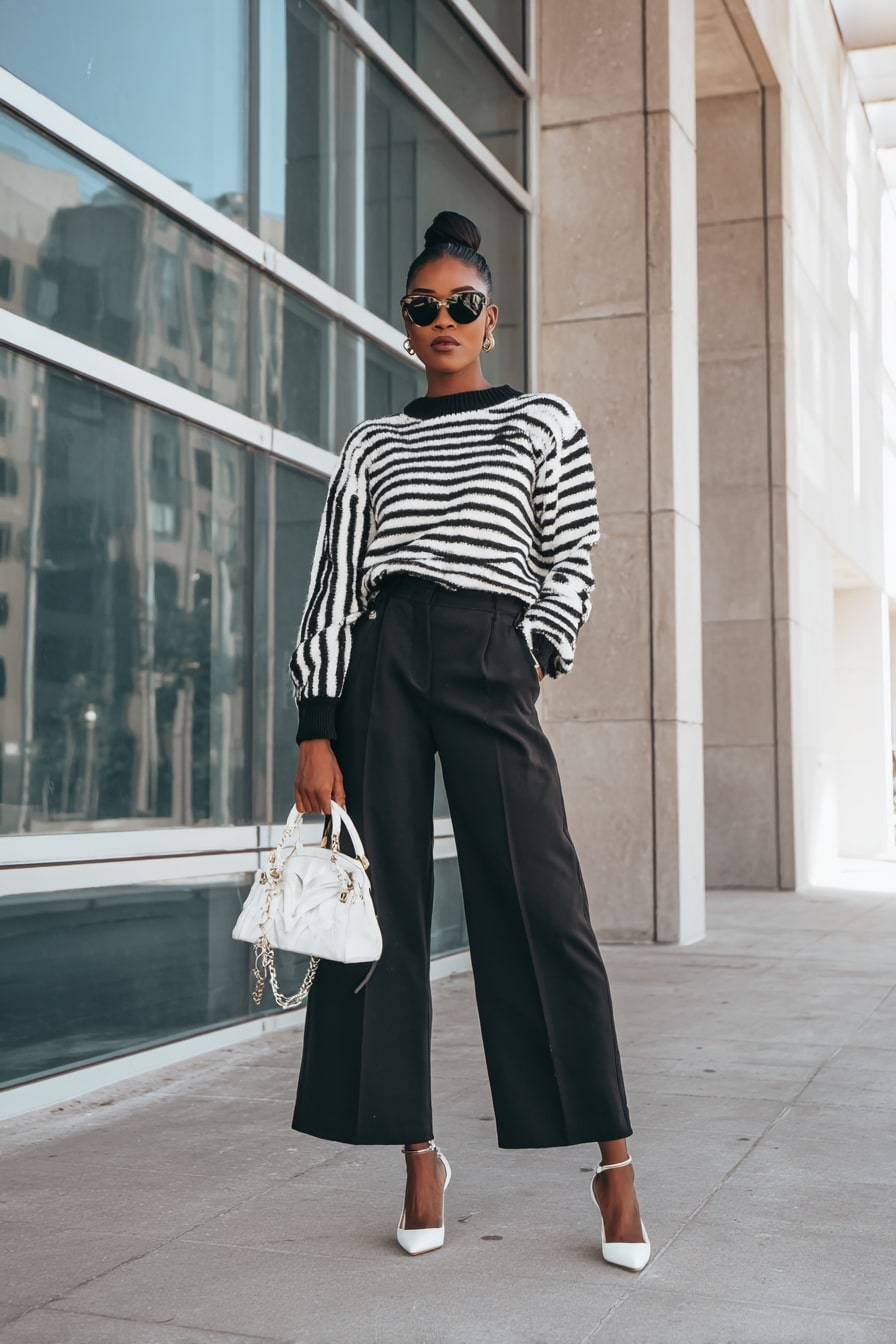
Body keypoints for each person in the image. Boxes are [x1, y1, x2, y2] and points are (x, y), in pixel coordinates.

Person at [289, 210, 649, 1269]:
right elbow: (333, 585)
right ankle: (416, 1154)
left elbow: (570, 549)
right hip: (384, 661)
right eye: (420, 307)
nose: (439, 319)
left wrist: (535, 650)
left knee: (542, 909)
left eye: (458, 304)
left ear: (489, 319)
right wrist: (318, 725)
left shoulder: (539, 420)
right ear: (404, 327)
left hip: (493, 651)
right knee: (380, 918)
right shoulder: (372, 444)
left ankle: (614, 1166)